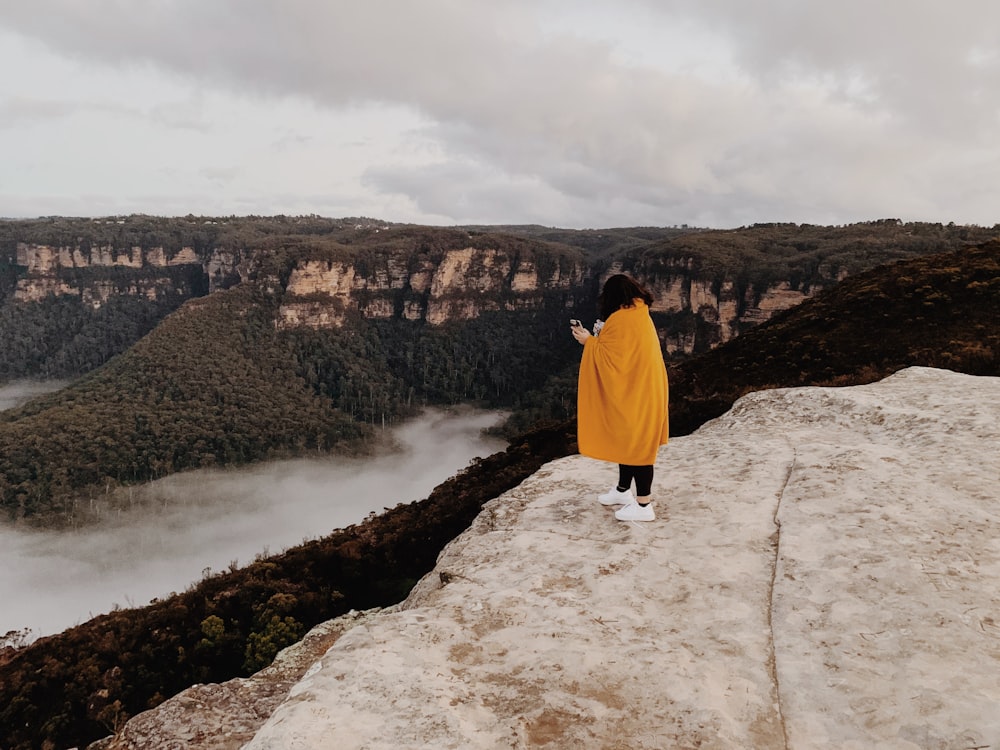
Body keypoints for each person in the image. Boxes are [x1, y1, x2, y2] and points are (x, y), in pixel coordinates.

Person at [571, 274, 669, 522]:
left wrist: (588, 342)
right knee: (627, 441)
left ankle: (644, 505)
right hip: (643, 387)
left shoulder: (624, 318)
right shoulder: (638, 312)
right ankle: (623, 491)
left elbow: (613, 359)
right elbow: (623, 350)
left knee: (638, 446)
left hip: (637, 392)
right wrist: (597, 337)